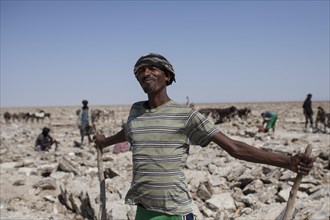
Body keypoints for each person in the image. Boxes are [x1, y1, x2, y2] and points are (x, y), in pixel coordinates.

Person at [93, 53, 315, 220]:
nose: (145, 73)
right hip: (143, 210)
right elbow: (129, 131)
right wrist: (105, 141)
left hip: (174, 212)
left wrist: (287, 161)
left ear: (167, 76)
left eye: (152, 68)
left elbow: (234, 147)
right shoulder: (136, 112)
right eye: (140, 71)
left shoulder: (186, 116)